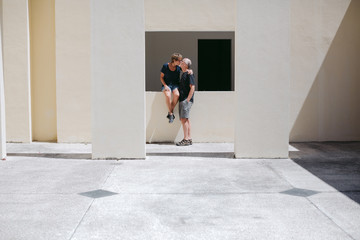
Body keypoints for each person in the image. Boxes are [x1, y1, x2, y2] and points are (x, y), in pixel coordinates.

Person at [176, 58, 195, 146]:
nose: (181, 62)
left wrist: (188, 99)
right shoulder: (184, 73)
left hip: (185, 100)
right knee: (186, 119)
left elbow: (192, 87)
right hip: (183, 99)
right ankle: (189, 138)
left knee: (184, 119)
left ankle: (185, 139)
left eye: (182, 62)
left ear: (186, 65)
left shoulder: (188, 74)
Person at [160, 53, 182, 123]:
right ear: (174, 60)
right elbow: (161, 77)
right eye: (179, 60)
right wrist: (165, 85)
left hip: (175, 85)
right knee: (168, 95)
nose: (180, 62)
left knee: (177, 95)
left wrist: (190, 71)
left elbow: (186, 69)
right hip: (166, 85)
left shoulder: (179, 67)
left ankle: (170, 113)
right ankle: (171, 113)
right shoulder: (165, 66)